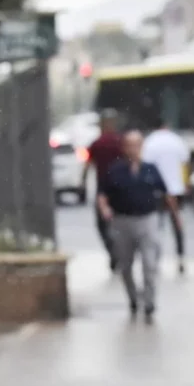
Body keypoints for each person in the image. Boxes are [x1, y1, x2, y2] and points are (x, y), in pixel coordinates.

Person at [97, 129, 182, 323]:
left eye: (137, 145)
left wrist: (176, 216)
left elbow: (166, 193)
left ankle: (150, 302)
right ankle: (133, 298)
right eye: (129, 145)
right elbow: (102, 194)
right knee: (125, 265)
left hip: (147, 220)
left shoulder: (151, 169)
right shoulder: (115, 169)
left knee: (150, 263)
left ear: (142, 147)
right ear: (124, 147)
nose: (133, 149)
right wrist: (105, 210)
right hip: (122, 221)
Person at [142, 116, 190, 274]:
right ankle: (180, 258)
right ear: (166, 125)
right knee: (177, 225)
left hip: (157, 192)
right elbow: (185, 162)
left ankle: (156, 259)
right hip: (176, 190)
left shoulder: (150, 142)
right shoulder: (177, 140)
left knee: (156, 227)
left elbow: (146, 167)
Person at [84, 112, 125, 270]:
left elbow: (88, 163)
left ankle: (113, 251)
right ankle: (119, 251)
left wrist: (82, 182)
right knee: (120, 223)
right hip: (121, 190)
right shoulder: (120, 142)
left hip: (103, 191)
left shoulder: (97, 143)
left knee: (102, 225)